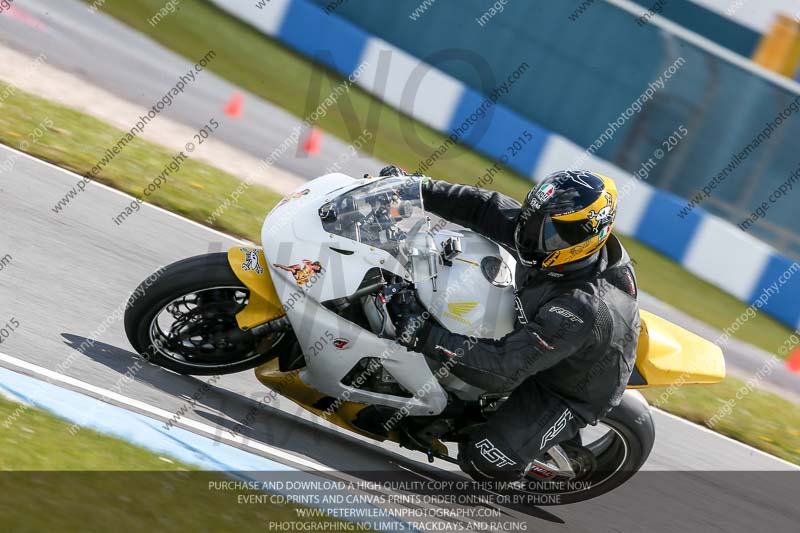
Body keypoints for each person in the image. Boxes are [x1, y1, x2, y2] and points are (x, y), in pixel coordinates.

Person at [382, 166, 641, 482]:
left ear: (584, 239)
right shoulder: (542, 237)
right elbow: (482, 206)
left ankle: (525, 450)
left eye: (551, 232)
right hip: (539, 327)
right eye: (534, 220)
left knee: (485, 459)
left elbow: (503, 368)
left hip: (566, 387)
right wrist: (412, 188)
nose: (532, 236)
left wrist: (421, 333)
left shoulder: (580, 305)